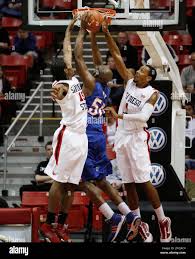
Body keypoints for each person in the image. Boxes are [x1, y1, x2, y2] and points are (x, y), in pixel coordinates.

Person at [74, 15, 141, 243]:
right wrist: (96, 34)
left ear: (98, 74)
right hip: (100, 136)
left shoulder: (90, 83)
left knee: (81, 181)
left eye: (100, 66)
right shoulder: (102, 86)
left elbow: (79, 57)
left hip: (86, 137)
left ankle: (112, 217)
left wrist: (82, 30)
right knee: (101, 179)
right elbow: (95, 58)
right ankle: (129, 214)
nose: (100, 63)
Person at [103, 22, 172, 243]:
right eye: (139, 70)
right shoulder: (131, 82)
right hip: (122, 138)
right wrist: (106, 33)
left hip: (137, 138)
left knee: (144, 181)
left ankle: (162, 220)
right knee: (129, 184)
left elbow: (143, 118)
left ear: (149, 78)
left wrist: (119, 116)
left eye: (142, 71)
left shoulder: (153, 94)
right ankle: (140, 224)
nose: (138, 72)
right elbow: (116, 55)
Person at [40, 18, 88, 243]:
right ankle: (48, 223)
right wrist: (57, 94)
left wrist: (75, 29)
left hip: (81, 139)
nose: (71, 65)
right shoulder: (59, 86)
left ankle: (62, 224)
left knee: (71, 185)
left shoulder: (74, 79)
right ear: (64, 71)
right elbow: (58, 93)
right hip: (67, 137)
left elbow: (71, 51)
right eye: (68, 65)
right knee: (59, 181)